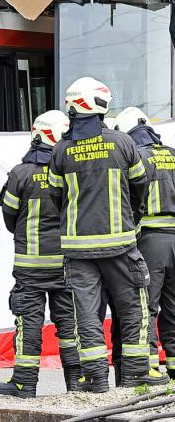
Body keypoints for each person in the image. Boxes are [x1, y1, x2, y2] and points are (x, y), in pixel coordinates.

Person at [49, 77, 167, 391]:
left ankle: (97, 380)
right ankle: (134, 378)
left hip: (78, 253)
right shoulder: (123, 144)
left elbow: (55, 198)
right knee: (134, 312)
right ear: (102, 106)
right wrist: (131, 220)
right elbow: (140, 187)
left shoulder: (61, 151)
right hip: (122, 249)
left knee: (87, 317)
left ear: (73, 107)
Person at [0, 110, 86, 399]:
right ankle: (77, 384)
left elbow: (9, 217)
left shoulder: (21, 174)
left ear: (38, 135)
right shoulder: (72, 171)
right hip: (66, 265)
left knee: (29, 324)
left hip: (30, 267)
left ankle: (24, 384)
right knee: (70, 325)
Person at [115, 107, 175, 379]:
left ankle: (150, 364)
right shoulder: (173, 154)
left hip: (151, 239)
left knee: (146, 305)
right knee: (173, 305)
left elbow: (129, 202)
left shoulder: (137, 157)